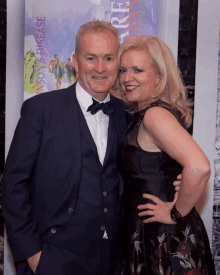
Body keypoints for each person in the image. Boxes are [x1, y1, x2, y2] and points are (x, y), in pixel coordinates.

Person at [1, 21, 181, 275]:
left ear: (117, 61)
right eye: (90, 58)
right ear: (75, 60)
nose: (99, 68)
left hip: (113, 258)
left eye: (108, 58)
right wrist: (32, 255)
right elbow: (13, 185)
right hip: (53, 255)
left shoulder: (127, 113)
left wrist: (178, 185)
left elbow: (148, 166)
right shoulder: (41, 110)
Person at [117, 36, 216, 275]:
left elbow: (199, 167)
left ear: (159, 76)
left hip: (164, 238)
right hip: (155, 234)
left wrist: (174, 213)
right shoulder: (146, 113)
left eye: (138, 70)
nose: (127, 78)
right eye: (123, 70)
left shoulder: (154, 116)